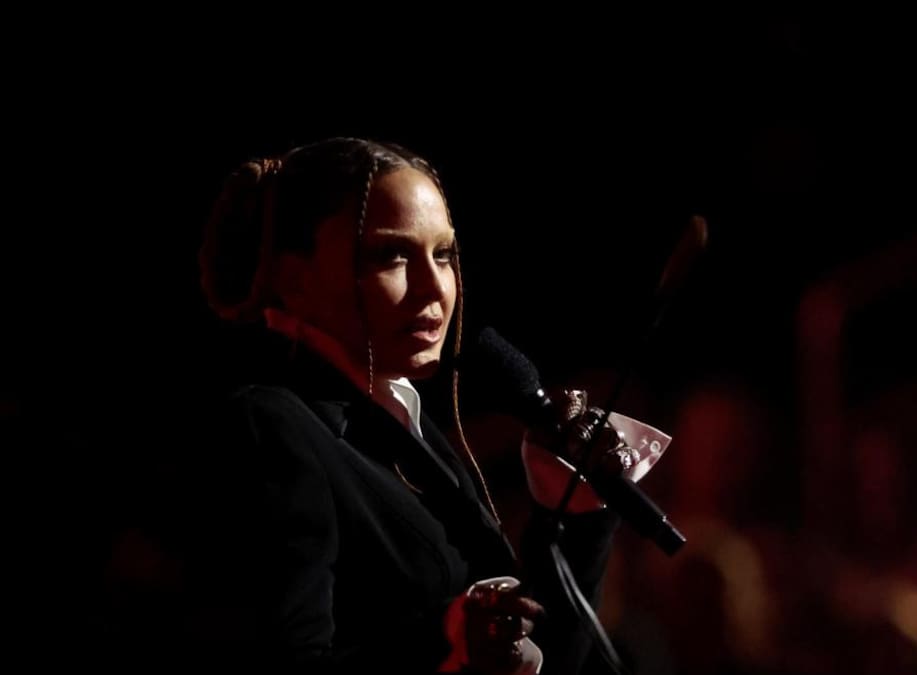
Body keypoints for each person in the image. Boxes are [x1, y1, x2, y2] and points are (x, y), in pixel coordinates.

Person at [170, 137, 647, 672]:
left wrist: (574, 513)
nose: (433, 288)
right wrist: (446, 639)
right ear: (293, 278)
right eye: (390, 255)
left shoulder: (405, 427)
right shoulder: (270, 428)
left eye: (443, 254)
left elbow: (541, 661)